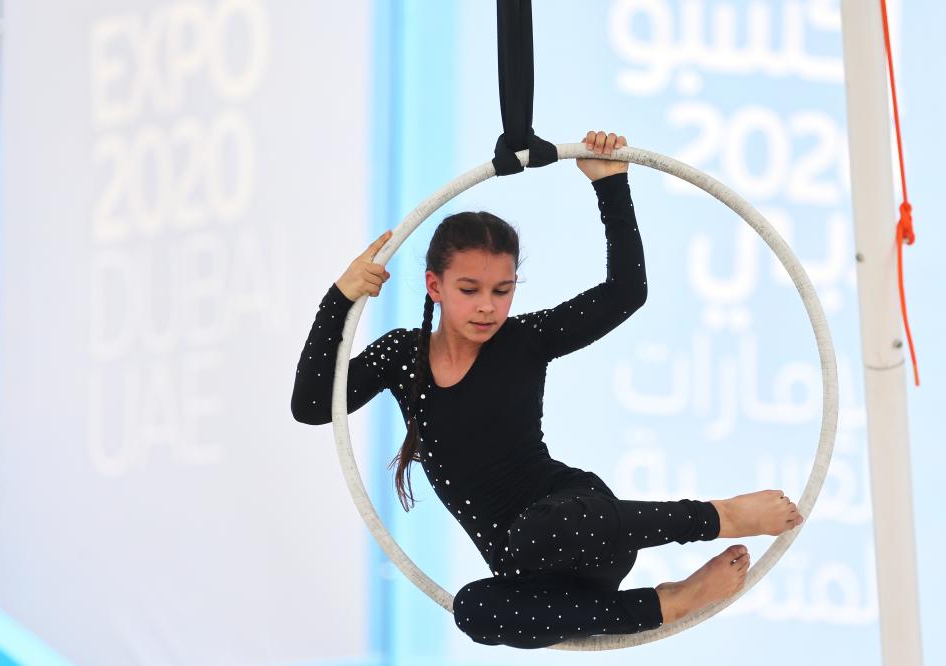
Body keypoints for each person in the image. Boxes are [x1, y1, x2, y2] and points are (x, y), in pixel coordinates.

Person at [291, 131, 804, 649]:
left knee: (546, 526)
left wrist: (610, 186)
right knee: (472, 611)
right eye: (469, 290)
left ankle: (720, 517)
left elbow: (626, 291)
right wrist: (340, 298)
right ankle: (667, 602)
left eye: (502, 290)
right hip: (528, 576)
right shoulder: (401, 356)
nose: (488, 306)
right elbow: (312, 406)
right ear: (434, 286)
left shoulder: (525, 341)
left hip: (584, 525)